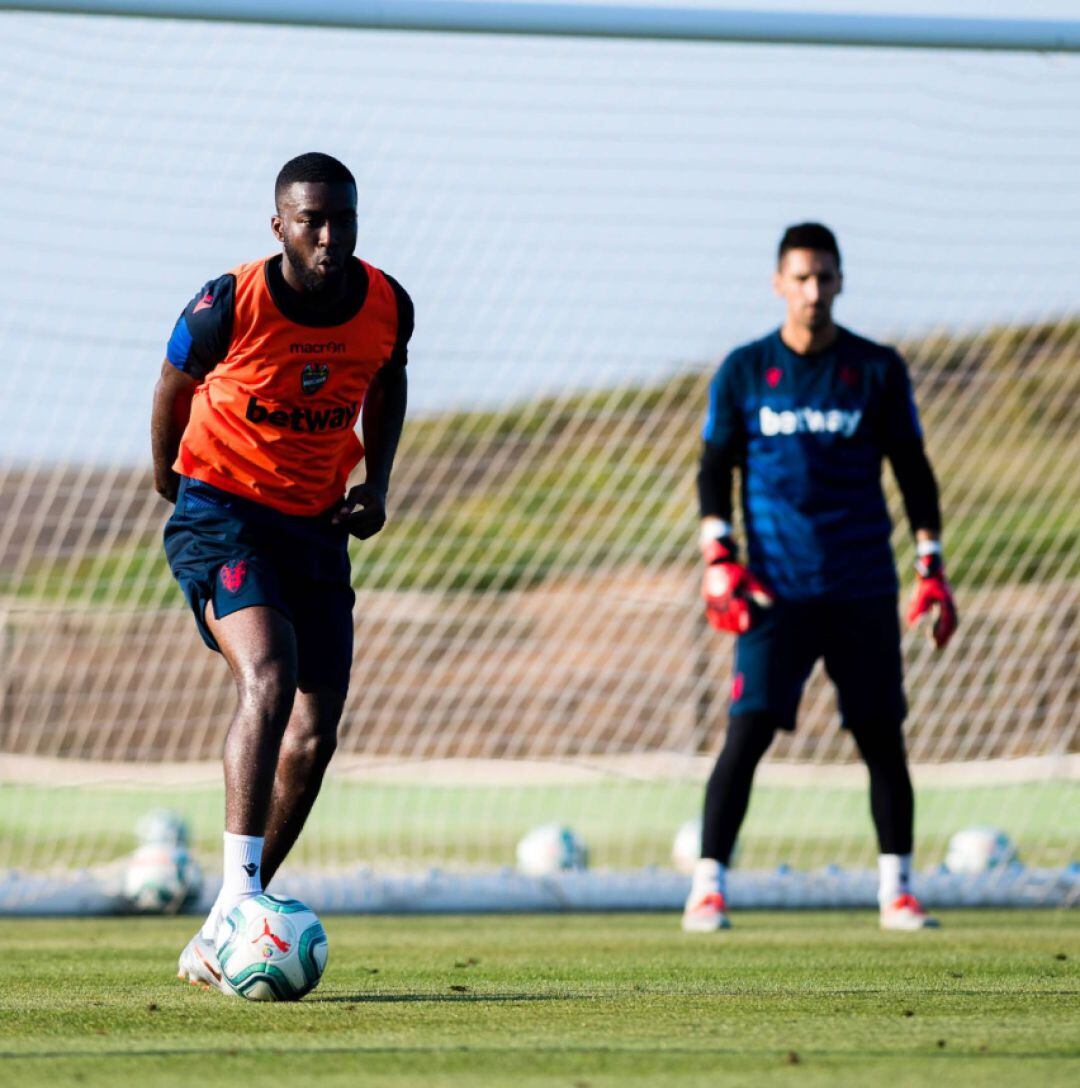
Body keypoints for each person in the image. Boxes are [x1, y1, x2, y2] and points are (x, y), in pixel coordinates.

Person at [151, 152, 412, 989]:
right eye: (313, 221)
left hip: (315, 528)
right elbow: (172, 383)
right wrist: (169, 480)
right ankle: (236, 903)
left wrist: (379, 479)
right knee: (268, 676)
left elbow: (390, 377)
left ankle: (223, 925)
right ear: (280, 226)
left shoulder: (386, 303)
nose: (331, 236)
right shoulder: (231, 302)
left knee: (315, 731)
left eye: (344, 220)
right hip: (222, 512)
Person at [683, 223, 956, 934]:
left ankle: (897, 889)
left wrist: (932, 564)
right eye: (801, 278)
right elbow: (715, 468)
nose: (813, 290)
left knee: (881, 739)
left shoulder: (876, 368)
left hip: (862, 585)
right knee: (746, 736)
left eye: (825, 277)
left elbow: (913, 471)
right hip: (774, 590)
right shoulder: (745, 370)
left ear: (840, 282)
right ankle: (708, 887)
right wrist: (720, 557)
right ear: (779, 283)